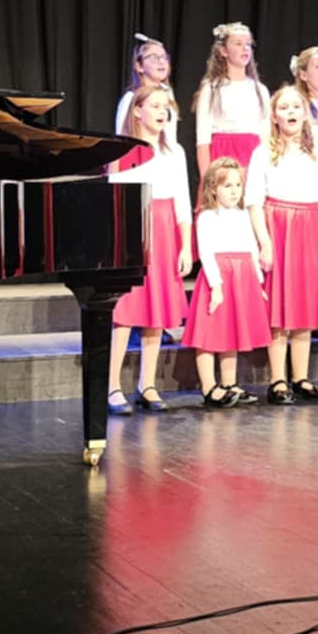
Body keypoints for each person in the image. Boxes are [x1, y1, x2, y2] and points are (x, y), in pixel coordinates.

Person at [246, 85, 318, 404]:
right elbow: (254, 202)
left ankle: (300, 377)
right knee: (279, 305)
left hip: (311, 229)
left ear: (305, 114)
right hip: (278, 227)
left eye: (296, 107)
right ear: (274, 116)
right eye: (284, 107)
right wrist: (265, 243)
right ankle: (278, 379)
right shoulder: (263, 153)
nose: (291, 112)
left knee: (304, 305)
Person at [107, 84, 193, 412]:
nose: (161, 112)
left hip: (165, 233)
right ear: (137, 111)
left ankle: (148, 384)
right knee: (125, 312)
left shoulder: (175, 152)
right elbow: (114, 200)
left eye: (165, 106)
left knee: (156, 312)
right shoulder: (122, 150)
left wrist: (186, 246)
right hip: (134, 231)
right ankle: (112, 385)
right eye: (154, 105)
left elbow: (182, 202)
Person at [184, 157, 269, 408]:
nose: (234, 191)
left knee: (231, 330)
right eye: (227, 186)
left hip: (242, 276)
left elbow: (252, 248)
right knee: (209, 334)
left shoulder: (243, 216)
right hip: (219, 278)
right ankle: (209, 386)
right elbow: (206, 252)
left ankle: (229, 383)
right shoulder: (207, 217)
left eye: (238, 185)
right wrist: (216, 286)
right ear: (213, 188)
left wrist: (258, 281)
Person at [193, 22, 270, 179]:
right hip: (223, 155)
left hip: (253, 156)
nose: (245, 48)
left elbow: (266, 137)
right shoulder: (212, 88)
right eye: (238, 44)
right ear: (223, 51)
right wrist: (206, 180)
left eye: (248, 44)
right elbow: (203, 140)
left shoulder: (260, 89)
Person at [113, 33, 179, 148]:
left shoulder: (168, 93)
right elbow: (122, 138)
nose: (161, 62)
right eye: (154, 58)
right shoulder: (131, 98)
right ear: (139, 66)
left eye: (165, 57)